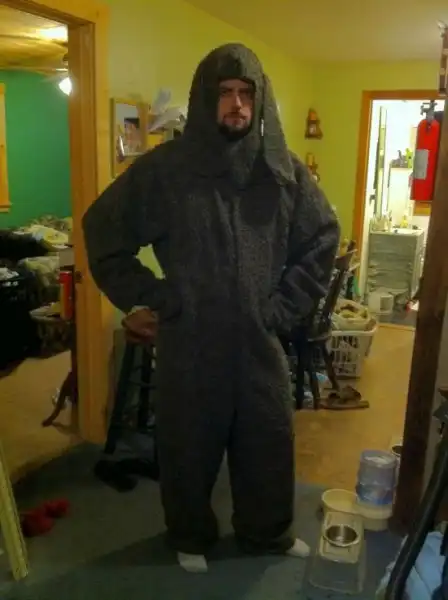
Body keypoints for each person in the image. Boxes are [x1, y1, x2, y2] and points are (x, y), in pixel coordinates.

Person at [83, 43, 340, 573]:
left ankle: (267, 532)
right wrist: (154, 296)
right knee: (187, 443)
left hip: (259, 339)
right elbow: (103, 232)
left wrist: (283, 307)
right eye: (225, 93)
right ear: (206, 98)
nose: (237, 104)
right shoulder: (166, 171)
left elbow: (322, 238)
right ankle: (189, 534)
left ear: (260, 100)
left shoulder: (281, 172)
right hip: (191, 337)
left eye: (246, 93)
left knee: (268, 438)